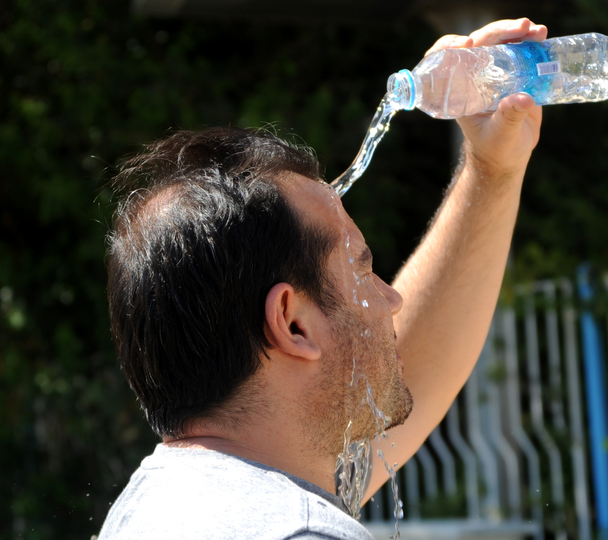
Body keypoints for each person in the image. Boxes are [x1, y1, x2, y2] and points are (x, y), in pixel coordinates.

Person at [97, 18, 546, 540]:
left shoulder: (163, 503)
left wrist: (493, 170)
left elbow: (414, 366)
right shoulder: (300, 532)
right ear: (292, 323)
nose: (392, 298)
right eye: (361, 269)